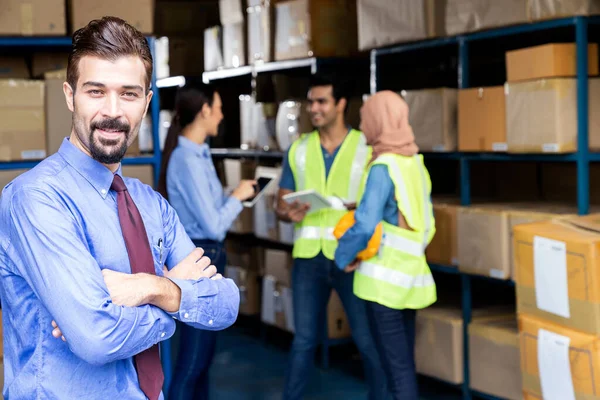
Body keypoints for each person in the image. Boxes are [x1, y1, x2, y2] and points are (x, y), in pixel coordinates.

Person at [0, 17, 239, 400]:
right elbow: (96, 337)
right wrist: (176, 298)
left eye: (128, 94)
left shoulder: (151, 204)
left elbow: (227, 303)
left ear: (146, 103)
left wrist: (150, 286)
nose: (112, 111)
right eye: (96, 91)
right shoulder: (36, 199)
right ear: (69, 96)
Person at [276, 74, 390, 400]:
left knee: (367, 339)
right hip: (309, 258)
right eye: (311, 101)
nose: (314, 108)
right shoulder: (298, 149)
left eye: (321, 101)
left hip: (352, 255)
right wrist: (288, 211)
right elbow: (280, 201)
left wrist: (360, 205)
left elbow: (379, 199)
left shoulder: (365, 147)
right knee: (304, 341)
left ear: (341, 104)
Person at [334, 91, 437, 400]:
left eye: (366, 119)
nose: (362, 126)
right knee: (404, 364)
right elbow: (427, 223)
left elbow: (365, 224)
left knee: (393, 370)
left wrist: (343, 256)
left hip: (382, 286)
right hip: (411, 280)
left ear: (380, 121)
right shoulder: (415, 164)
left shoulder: (382, 167)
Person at [157, 82, 256, 400]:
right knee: (193, 360)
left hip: (208, 255)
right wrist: (238, 198)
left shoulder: (199, 154)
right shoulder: (186, 159)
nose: (222, 114)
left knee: (203, 359)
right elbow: (213, 225)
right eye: (219, 107)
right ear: (204, 111)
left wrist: (233, 196)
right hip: (201, 255)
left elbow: (209, 210)